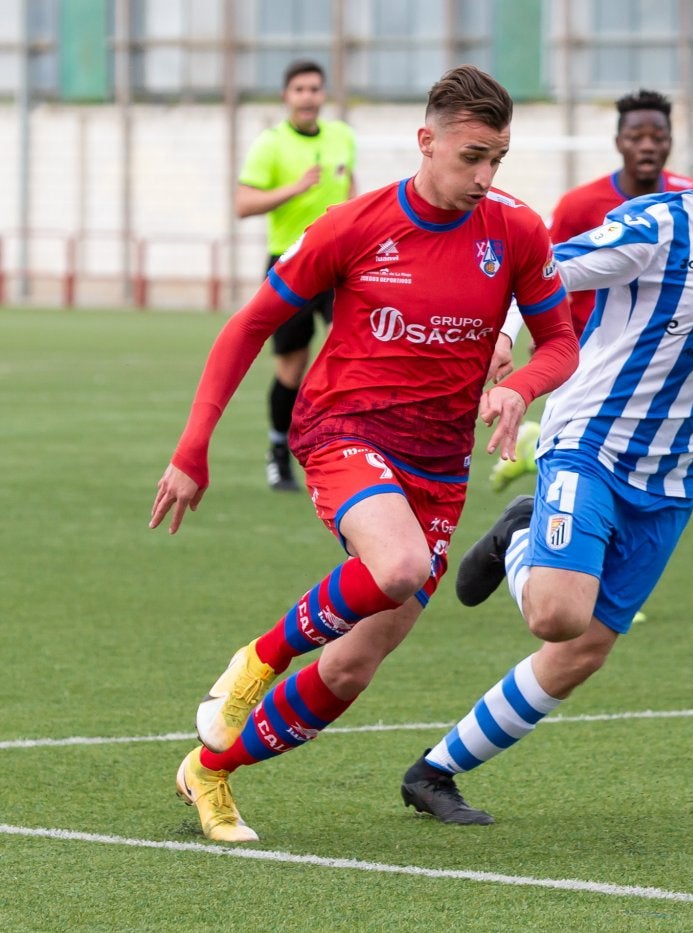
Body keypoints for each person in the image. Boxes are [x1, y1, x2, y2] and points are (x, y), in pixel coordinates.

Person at [149, 64, 578, 843]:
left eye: (498, 160)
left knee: (350, 667)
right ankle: (257, 660)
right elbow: (249, 325)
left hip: (439, 467)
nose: (484, 176)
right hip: (346, 431)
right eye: (471, 156)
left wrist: (522, 389)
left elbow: (560, 343)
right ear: (426, 141)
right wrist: (193, 446)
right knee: (399, 567)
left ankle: (210, 771)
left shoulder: (516, 230)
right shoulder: (355, 225)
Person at [398, 80, 693, 826]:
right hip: (590, 442)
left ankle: (434, 771)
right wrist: (505, 338)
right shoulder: (656, 225)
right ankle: (519, 536)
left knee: (585, 651)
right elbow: (543, 273)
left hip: (671, 477)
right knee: (555, 616)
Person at [486, 88, 693, 494]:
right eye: (636, 136)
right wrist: (509, 333)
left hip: (652, 355)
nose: (648, 146)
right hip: (582, 352)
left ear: (672, 141)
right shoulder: (581, 205)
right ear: (619, 142)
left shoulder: (689, 198)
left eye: (658, 136)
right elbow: (538, 270)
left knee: (627, 459)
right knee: (573, 457)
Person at [236, 60, 357, 491]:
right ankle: (277, 451)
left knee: (356, 355)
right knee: (292, 364)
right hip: (289, 265)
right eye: (300, 89)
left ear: (323, 96)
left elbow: (351, 192)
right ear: (286, 96)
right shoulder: (271, 145)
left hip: (339, 266)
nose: (308, 96)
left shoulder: (342, 136)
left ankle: (349, 448)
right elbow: (242, 204)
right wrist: (296, 188)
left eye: (315, 89)